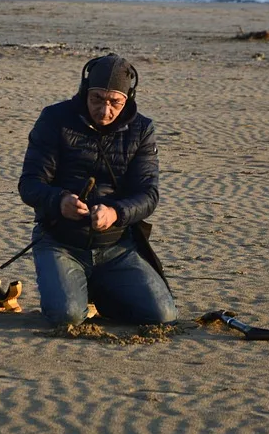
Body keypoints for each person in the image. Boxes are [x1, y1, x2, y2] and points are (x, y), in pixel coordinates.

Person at [18, 53, 178, 326]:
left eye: (115, 102)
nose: (105, 111)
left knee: (162, 316)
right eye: (97, 99)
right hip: (59, 241)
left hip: (116, 246)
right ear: (84, 91)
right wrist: (60, 201)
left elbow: (148, 195)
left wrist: (116, 212)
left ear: (128, 98)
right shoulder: (54, 118)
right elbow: (29, 184)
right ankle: (72, 288)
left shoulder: (142, 129)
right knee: (67, 317)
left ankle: (97, 288)